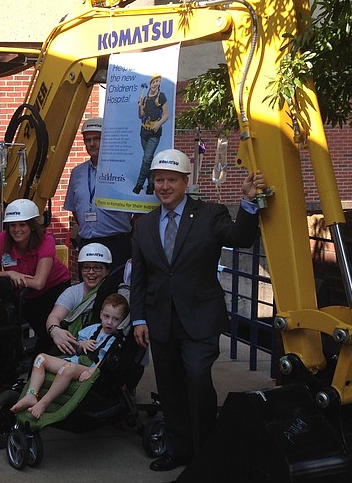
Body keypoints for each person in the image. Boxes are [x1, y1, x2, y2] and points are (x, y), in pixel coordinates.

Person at [130, 148, 265, 472]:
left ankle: (207, 454)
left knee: (196, 379)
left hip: (200, 319)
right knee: (170, 387)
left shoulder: (210, 214)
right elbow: (140, 277)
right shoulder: (144, 225)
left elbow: (240, 237)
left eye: (171, 180)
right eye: (159, 179)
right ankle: (179, 450)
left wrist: (248, 203)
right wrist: (138, 318)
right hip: (161, 320)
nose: (164, 186)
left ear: (185, 181)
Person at [11, 293, 129, 419]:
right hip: (76, 361)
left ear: (121, 320)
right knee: (41, 358)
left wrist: (91, 372)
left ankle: (43, 403)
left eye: (115, 319)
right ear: (101, 314)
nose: (109, 322)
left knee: (68, 369)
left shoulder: (116, 340)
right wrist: (82, 344)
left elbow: (106, 360)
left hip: (90, 368)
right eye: (106, 316)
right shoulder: (92, 329)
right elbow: (76, 349)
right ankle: (31, 394)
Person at [0, 198, 71, 354]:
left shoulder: (46, 240)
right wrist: (10, 273)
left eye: (22, 224)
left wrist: (15, 278)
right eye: (12, 225)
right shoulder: (2, 239)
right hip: (26, 294)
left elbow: (39, 283)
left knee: (48, 332)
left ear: (32, 226)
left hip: (54, 289)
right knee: (39, 332)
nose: (16, 229)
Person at [65, 117, 132, 272]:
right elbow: (75, 208)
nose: (92, 144)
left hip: (116, 243)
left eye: (97, 138)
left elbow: (139, 211)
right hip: (87, 242)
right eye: (88, 140)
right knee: (88, 291)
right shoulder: (77, 173)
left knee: (116, 292)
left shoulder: (123, 170)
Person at [45, 242, 126, 355]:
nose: (91, 272)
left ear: (107, 270)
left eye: (97, 268)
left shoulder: (113, 291)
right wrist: (55, 330)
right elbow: (54, 316)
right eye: (86, 267)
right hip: (74, 347)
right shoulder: (72, 292)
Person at [134, 75, 170, 195]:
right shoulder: (145, 98)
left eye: (158, 82)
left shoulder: (161, 96)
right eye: (154, 82)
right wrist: (140, 105)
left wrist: (158, 124)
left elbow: (166, 115)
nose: (156, 84)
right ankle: (150, 184)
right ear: (150, 83)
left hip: (154, 132)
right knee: (148, 159)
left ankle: (139, 183)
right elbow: (141, 116)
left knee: (147, 158)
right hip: (144, 131)